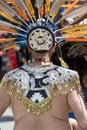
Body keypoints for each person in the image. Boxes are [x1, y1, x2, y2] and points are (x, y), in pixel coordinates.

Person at [0, 1, 87, 130]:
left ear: (28, 47)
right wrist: (72, 124)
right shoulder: (68, 77)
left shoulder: (10, 78)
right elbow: (84, 123)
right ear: (53, 47)